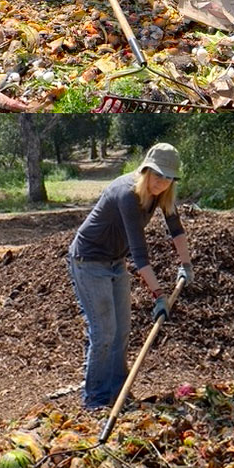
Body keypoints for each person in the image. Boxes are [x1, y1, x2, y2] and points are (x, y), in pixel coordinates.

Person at [67, 143, 194, 410]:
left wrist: (186, 265)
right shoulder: (127, 194)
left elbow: (176, 228)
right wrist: (159, 295)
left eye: (168, 177)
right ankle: (96, 400)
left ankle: (118, 393)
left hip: (115, 260)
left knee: (122, 331)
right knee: (104, 332)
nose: (161, 182)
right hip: (89, 261)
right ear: (146, 169)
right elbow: (139, 254)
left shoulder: (162, 194)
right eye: (157, 174)